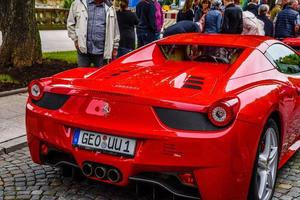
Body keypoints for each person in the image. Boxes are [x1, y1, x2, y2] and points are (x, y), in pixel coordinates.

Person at [67, 0, 120, 67]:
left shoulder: (110, 7)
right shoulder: (78, 3)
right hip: (83, 50)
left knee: (100, 76)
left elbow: (115, 29)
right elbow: (70, 23)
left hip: (102, 52)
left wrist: (115, 47)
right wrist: (76, 40)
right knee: (82, 75)